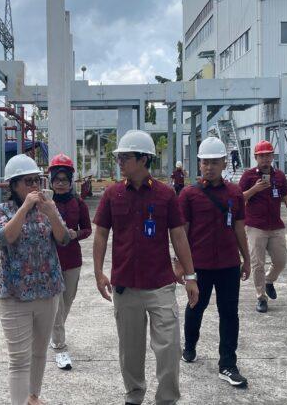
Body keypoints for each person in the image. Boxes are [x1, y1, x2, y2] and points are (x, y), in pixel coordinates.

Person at [93, 130, 199, 405]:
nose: (119, 162)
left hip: (160, 284)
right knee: (130, 350)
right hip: (125, 286)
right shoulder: (113, 194)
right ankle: (134, 395)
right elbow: (101, 234)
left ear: (143, 159)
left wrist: (190, 276)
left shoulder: (165, 195)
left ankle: (166, 399)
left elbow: (178, 235)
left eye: (125, 157)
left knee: (169, 347)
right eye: (119, 157)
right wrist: (98, 272)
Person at [0, 154, 70, 405]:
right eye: (28, 181)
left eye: (37, 180)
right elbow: (5, 236)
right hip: (15, 294)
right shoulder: (2, 210)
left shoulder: (48, 207)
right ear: (14, 185)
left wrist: (52, 213)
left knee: (39, 352)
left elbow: (64, 239)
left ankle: (33, 396)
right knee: (18, 359)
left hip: (48, 290)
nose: (35, 186)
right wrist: (24, 208)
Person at [176, 137, 250, 388]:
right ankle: (189, 346)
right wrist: (180, 264)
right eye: (205, 162)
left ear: (224, 163)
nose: (209, 167)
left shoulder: (234, 193)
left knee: (229, 313)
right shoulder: (189, 194)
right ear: (199, 164)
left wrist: (246, 259)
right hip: (199, 265)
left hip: (229, 264)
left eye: (214, 162)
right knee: (196, 307)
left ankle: (228, 364)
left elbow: (239, 228)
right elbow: (182, 232)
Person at [238, 140, 287, 313]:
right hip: (255, 226)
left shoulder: (279, 176)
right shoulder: (248, 176)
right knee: (257, 263)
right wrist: (255, 189)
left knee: (281, 261)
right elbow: (238, 198)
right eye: (262, 156)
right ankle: (261, 297)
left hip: (275, 226)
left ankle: (269, 280)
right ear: (255, 157)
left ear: (273, 156)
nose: (265, 159)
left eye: (268, 155)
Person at [46, 153, 92, 371]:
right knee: (57, 305)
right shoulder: (45, 203)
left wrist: (76, 234)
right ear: (51, 181)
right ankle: (59, 344)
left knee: (68, 301)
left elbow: (88, 229)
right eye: (57, 180)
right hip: (50, 260)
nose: (60, 184)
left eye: (64, 180)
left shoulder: (78, 203)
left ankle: (53, 331)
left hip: (73, 260)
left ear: (71, 181)